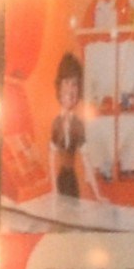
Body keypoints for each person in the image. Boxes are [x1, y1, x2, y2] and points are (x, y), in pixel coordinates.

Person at [46, 51, 98, 205]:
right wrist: (54, 190)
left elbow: (86, 160)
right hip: (60, 180)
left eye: (74, 84)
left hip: (73, 181)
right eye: (67, 83)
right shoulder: (56, 123)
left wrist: (97, 194)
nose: (71, 89)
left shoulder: (78, 126)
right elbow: (51, 158)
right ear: (60, 87)